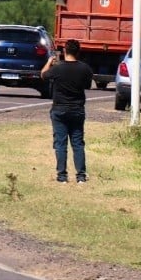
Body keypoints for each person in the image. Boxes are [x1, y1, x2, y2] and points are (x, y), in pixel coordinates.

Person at [41, 38, 93, 184]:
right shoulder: (85, 69)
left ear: (64, 51)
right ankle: (81, 176)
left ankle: (62, 176)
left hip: (59, 109)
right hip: (77, 109)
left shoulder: (58, 68)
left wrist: (50, 61)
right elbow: (87, 85)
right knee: (77, 143)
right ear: (78, 52)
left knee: (60, 143)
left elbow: (43, 75)